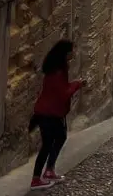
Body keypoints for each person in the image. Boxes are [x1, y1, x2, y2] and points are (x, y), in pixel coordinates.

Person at [28, 39, 86, 190]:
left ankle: (49, 170)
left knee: (60, 137)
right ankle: (36, 178)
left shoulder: (55, 68)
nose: (73, 53)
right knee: (47, 144)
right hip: (50, 113)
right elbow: (63, 93)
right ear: (65, 53)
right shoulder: (58, 71)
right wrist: (78, 84)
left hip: (50, 111)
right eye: (71, 51)